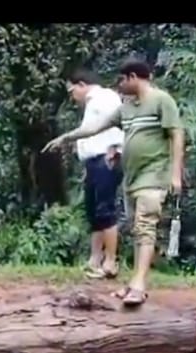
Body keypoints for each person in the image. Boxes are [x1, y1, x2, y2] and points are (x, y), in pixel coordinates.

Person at [42, 57, 185, 306]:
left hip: (154, 174)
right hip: (132, 176)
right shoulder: (127, 107)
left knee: (145, 225)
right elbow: (96, 128)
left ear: (132, 77)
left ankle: (139, 285)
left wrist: (175, 174)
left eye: (121, 79)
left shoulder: (161, 100)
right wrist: (65, 137)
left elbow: (176, 134)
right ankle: (133, 282)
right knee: (135, 228)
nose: (118, 85)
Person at [66, 68, 125, 279]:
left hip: (106, 160)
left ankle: (110, 261)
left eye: (72, 91)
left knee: (105, 209)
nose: (72, 97)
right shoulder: (92, 104)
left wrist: (117, 149)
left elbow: (119, 123)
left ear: (82, 85)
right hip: (94, 163)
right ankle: (94, 259)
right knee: (93, 210)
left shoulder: (105, 98)